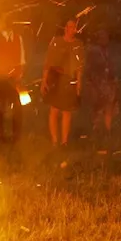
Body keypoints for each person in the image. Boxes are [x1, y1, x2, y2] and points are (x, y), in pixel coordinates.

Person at [42, 18, 83, 147]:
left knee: (67, 111)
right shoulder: (56, 42)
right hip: (56, 78)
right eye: (69, 26)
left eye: (73, 27)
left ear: (76, 30)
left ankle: (64, 141)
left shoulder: (78, 45)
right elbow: (48, 62)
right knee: (54, 110)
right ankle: (54, 140)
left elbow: (79, 67)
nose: (71, 29)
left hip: (69, 79)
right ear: (65, 28)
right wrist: (44, 81)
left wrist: (78, 83)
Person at [0, 14, 25, 143]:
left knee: (17, 106)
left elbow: (22, 59)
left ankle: (15, 135)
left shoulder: (18, 38)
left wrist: (20, 76)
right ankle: (0, 135)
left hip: (13, 78)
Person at [83, 30, 118, 135]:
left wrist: (114, 80)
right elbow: (88, 67)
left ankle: (107, 130)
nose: (105, 39)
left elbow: (111, 66)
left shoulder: (108, 51)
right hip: (97, 82)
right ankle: (96, 129)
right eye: (102, 37)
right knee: (97, 106)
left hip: (108, 82)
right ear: (98, 39)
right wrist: (90, 82)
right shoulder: (93, 51)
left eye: (106, 37)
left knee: (108, 106)